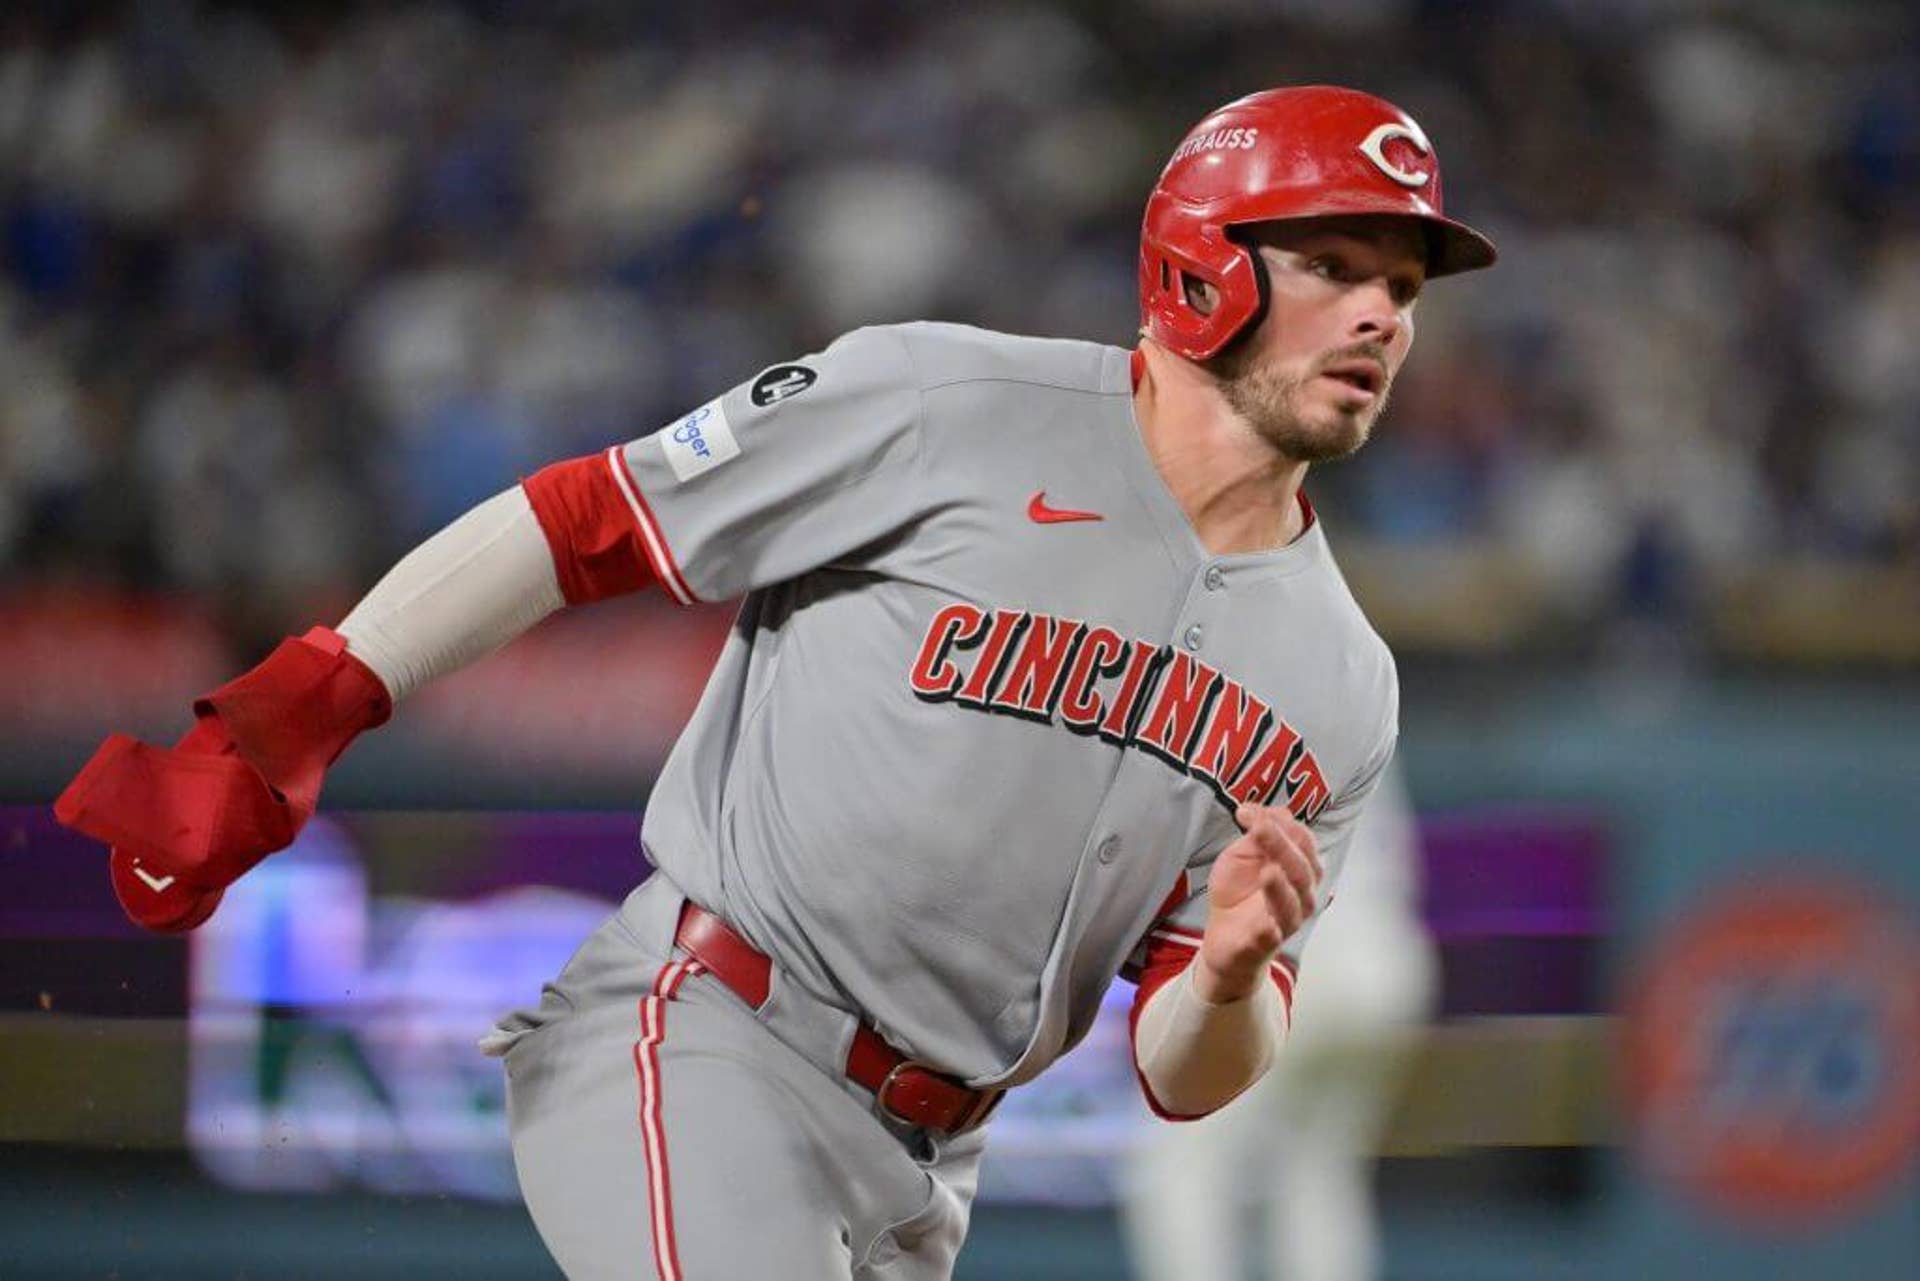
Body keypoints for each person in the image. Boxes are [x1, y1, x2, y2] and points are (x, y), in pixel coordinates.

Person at [54, 86, 1495, 1279]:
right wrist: (316, 697)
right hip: (710, 1037)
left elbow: (1189, 1071)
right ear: (1204, 259)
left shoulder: (1340, 676)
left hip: (933, 1169)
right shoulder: (945, 404)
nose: (1381, 315)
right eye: (1335, 265)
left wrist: (1235, 970)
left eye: (1402, 286)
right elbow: (590, 520)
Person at [1121, 763, 1438, 1281]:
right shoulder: (1358, 689)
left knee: (1177, 1168)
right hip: (1387, 957)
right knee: (1316, 1173)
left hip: (1303, 957)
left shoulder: (1241, 698)